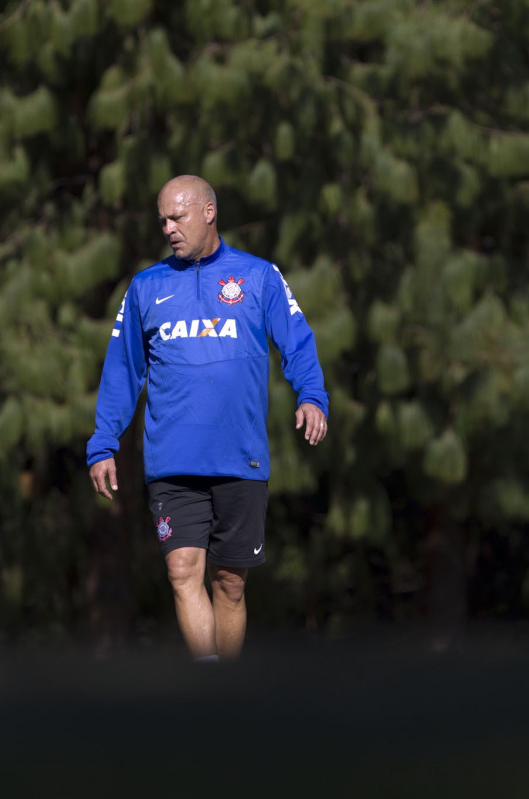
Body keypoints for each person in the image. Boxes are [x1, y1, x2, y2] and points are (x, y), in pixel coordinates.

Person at [86, 175, 329, 661]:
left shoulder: (258, 276)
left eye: (177, 217)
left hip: (240, 458)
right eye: (162, 221)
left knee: (230, 583)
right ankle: (208, 680)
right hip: (173, 461)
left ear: (208, 212)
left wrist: (312, 396)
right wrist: (103, 442)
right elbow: (123, 370)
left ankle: (229, 696)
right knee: (182, 572)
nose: (168, 229)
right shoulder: (146, 287)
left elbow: (297, 341)